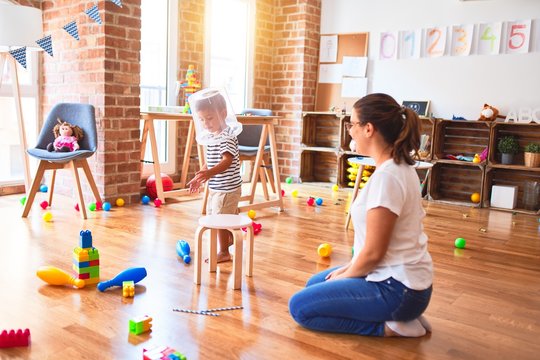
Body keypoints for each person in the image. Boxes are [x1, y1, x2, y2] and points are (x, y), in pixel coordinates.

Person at [288, 93, 433, 337]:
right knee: (314, 285)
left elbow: (374, 253)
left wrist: (344, 275)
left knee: (300, 309)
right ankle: (402, 313)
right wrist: (345, 272)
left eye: (353, 124)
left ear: (368, 129)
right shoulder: (398, 166)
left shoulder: (388, 178)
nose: (350, 131)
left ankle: (391, 325)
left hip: (397, 289)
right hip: (404, 282)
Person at [187, 91, 243, 263]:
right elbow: (211, 163)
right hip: (218, 187)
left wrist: (209, 173)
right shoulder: (212, 137)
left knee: (218, 218)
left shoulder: (226, 137)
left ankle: (224, 252)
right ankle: (229, 237)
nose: (206, 123)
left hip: (227, 189)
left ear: (223, 114)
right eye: (202, 119)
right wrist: (200, 175)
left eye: (210, 118)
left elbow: (227, 160)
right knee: (220, 216)